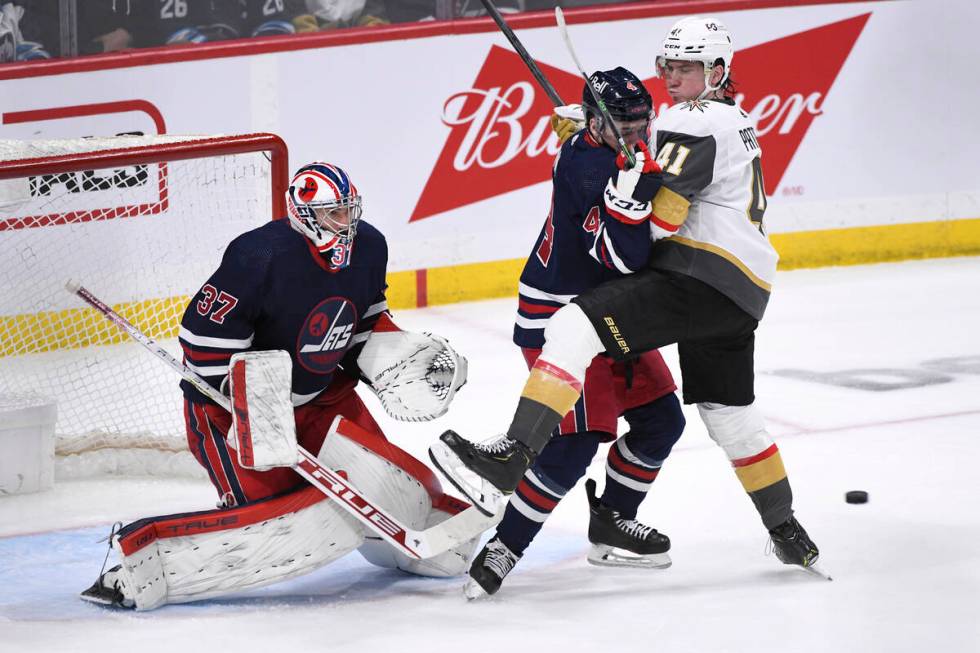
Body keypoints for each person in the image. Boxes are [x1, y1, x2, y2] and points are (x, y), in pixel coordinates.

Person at [431, 16, 823, 576]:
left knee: (575, 334)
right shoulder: (732, 117)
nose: (672, 79)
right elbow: (625, 241)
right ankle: (785, 529)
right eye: (668, 66)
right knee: (721, 417)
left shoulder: (691, 120)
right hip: (741, 294)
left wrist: (625, 178)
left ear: (716, 71)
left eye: (686, 68)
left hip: (692, 281)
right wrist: (609, 157)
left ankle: (514, 456)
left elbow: (647, 238)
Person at [80, 162, 477, 610]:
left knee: (388, 485)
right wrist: (255, 409)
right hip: (233, 411)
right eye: (333, 214)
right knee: (275, 519)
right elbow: (200, 341)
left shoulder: (370, 246)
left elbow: (364, 316)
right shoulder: (259, 256)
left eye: (349, 211)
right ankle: (139, 571)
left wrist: (390, 357)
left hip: (325, 397)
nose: (346, 224)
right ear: (305, 215)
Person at [453, 68, 686, 599]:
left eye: (641, 123)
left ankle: (612, 522)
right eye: (623, 125)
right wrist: (630, 199)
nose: (636, 134)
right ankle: (504, 546)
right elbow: (621, 259)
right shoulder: (588, 170)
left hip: (609, 314)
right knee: (576, 443)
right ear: (599, 123)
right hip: (563, 319)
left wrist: (606, 141)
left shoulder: (601, 140)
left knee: (661, 422)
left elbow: (589, 131)